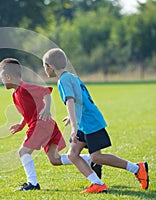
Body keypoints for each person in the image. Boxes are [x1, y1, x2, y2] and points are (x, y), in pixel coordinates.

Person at [42, 48, 149, 193]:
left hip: (90, 123)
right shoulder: (72, 77)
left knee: (96, 157)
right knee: (73, 154)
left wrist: (73, 128)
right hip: (86, 122)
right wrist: (74, 117)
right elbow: (82, 100)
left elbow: (71, 101)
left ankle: (137, 168)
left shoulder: (63, 80)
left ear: (51, 67)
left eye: (44, 66)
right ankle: (97, 183)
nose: (45, 70)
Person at [0, 58, 101, 191]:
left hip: (40, 125)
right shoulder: (15, 94)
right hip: (47, 126)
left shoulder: (24, 88)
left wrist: (47, 109)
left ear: (8, 76)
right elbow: (28, 113)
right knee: (54, 159)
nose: (2, 81)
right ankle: (91, 160)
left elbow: (46, 92)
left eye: (2, 78)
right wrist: (21, 125)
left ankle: (33, 184)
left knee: (23, 152)